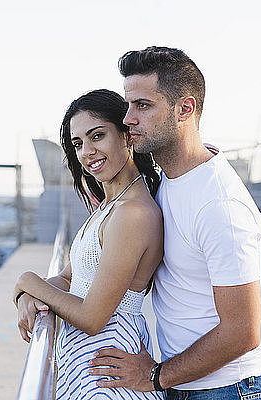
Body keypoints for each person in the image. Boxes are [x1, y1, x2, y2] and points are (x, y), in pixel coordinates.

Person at [88, 47, 261, 399]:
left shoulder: (220, 206)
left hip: (231, 390)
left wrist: (156, 375)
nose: (128, 118)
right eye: (128, 105)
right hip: (187, 383)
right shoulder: (168, 178)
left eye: (143, 106)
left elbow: (243, 331)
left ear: (185, 109)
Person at [13, 89, 165, 399]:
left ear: (126, 135)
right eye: (78, 144)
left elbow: (93, 318)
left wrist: (26, 281)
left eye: (97, 136)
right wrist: (28, 295)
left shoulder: (133, 213)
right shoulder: (111, 205)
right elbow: (70, 279)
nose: (87, 152)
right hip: (88, 363)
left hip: (107, 367)